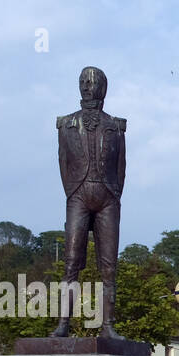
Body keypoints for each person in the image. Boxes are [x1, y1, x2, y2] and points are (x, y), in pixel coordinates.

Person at [51, 66, 125, 338]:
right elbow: (62, 162)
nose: (87, 86)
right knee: (71, 262)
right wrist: (73, 191)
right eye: (83, 81)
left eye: (92, 82)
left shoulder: (116, 126)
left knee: (109, 266)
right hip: (78, 195)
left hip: (107, 197)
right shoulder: (66, 123)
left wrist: (114, 194)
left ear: (102, 88)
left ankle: (108, 326)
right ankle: (63, 324)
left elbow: (121, 166)